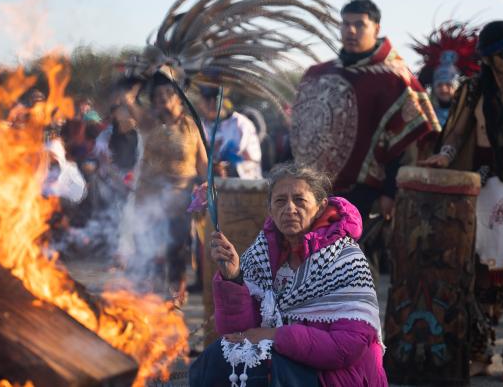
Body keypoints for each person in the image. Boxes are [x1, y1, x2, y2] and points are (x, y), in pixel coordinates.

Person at [189, 162, 386, 386]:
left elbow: (348, 346)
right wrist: (233, 277)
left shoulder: (344, 259)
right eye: (280, 201)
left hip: (335, 374)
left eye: (300, 200)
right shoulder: (261, 254)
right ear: (270, 210)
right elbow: (239, 333)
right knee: (215, 358)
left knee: (266, 367)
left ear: (321, 207)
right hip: (281, 360)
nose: (290, 209)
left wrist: (273, 336)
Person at [292, 0, 440, 221]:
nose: (350, 30)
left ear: (376, 28)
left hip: (365, 195)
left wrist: (390, 192)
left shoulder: (394, 79)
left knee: (354, 255)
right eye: (345, 23)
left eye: (360, 24)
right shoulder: (316, 74)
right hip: (311, 191)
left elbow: (407, 144)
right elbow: (299, 133)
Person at [421, 20, 503, 378]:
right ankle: (479, 352)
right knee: (481, 274)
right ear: (489, 59)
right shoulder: (472, 90)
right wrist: (445, 155)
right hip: (484, 186)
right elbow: (456, 133)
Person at [123, 70, 208, 301]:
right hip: (150, 196)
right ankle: (153, 294)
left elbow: (202, 162)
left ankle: (176, 294)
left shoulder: (191, 126)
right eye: (157, 96)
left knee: (177, 246)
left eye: (166, 94)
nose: (160, 100)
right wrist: (143, 75)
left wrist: (208, 184)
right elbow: (128, 100)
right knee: (151, 247)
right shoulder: (149, 122)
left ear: (178, 97)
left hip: (180, 198)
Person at [411, 21, 481, 127]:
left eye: (449, 85)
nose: (444, 89)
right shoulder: (424, 117)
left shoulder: (470, 115)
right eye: (439, 85)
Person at [198, 85, 263, 179]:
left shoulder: (241, 125)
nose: (200, 106)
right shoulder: (201, 126)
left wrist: (228, 168)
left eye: (201, 101)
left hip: (244, 187)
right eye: (204, 100)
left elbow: (250, 161)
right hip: (211, 188)